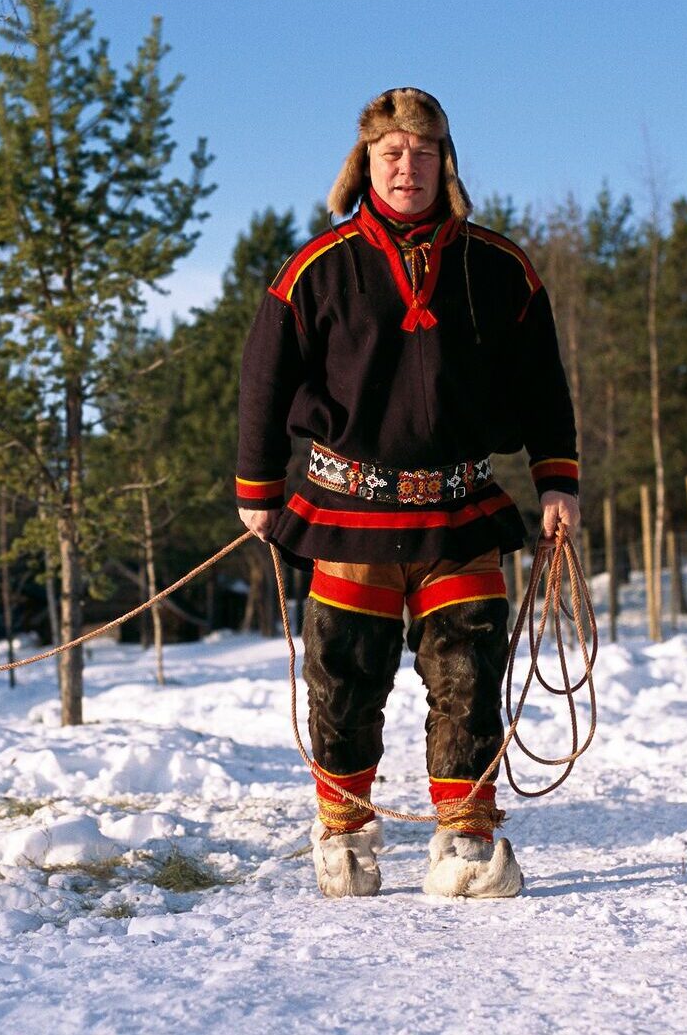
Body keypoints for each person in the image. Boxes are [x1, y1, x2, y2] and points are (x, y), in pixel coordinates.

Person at [235, 87, 580, 899]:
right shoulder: (316, 268)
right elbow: (263, 375)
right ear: (365, 164)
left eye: (423, 153)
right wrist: (258, 484)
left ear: (445, 164)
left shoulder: (499, 268)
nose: (407, 167)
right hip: (348, 511)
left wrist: (557, 480)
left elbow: (543, 383)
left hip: (460, 507)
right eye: (391, 152)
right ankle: (346, 835)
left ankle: (465, 838)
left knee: (467, 668)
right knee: (344, 674)